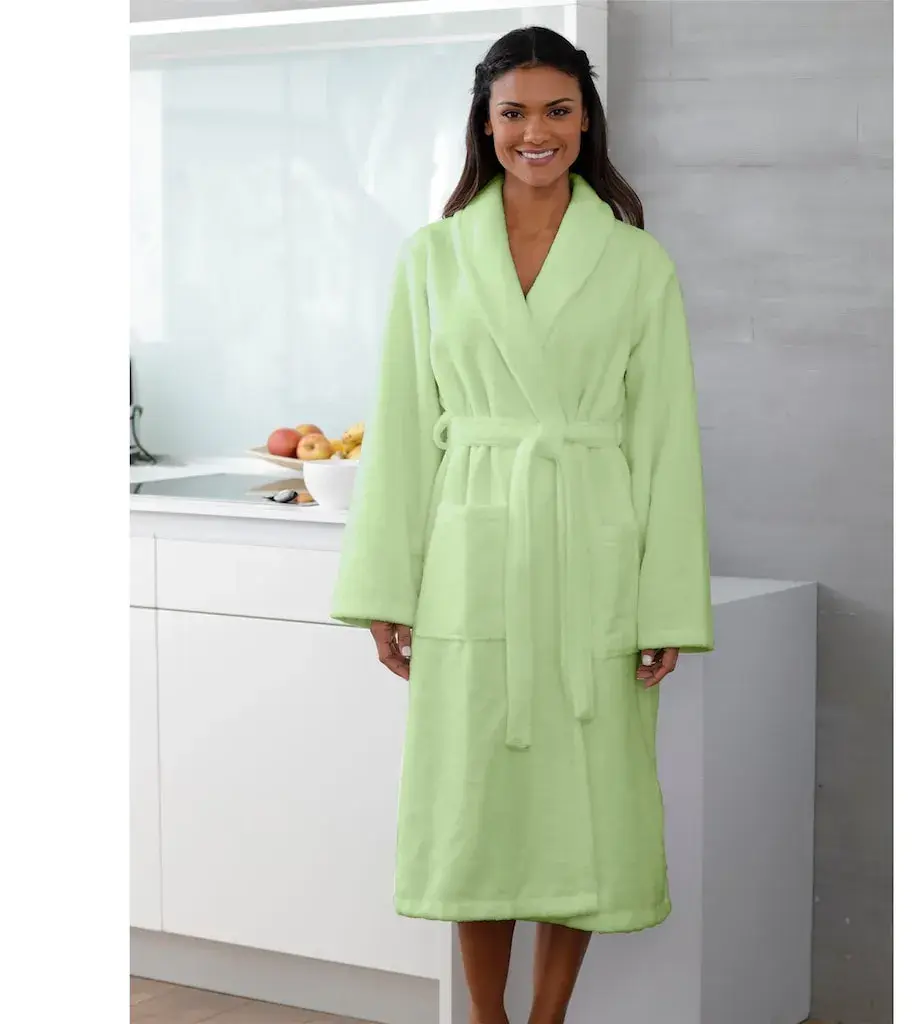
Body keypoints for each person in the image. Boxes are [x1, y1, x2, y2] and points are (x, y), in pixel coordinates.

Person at [331, 25, 714, 1024]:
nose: (534, 131)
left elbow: (666, 442)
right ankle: (486, 1018)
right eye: (513, 112)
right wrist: (387, 588)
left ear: (586, 121)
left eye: (556, 110)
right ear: (485, 123)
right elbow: (404, 433)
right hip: (473, 555)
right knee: (477, 806)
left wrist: (666, 603)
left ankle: (547, 1019)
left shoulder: (635, 263)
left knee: (584, 803)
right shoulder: (433, 258)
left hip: (593, 555)